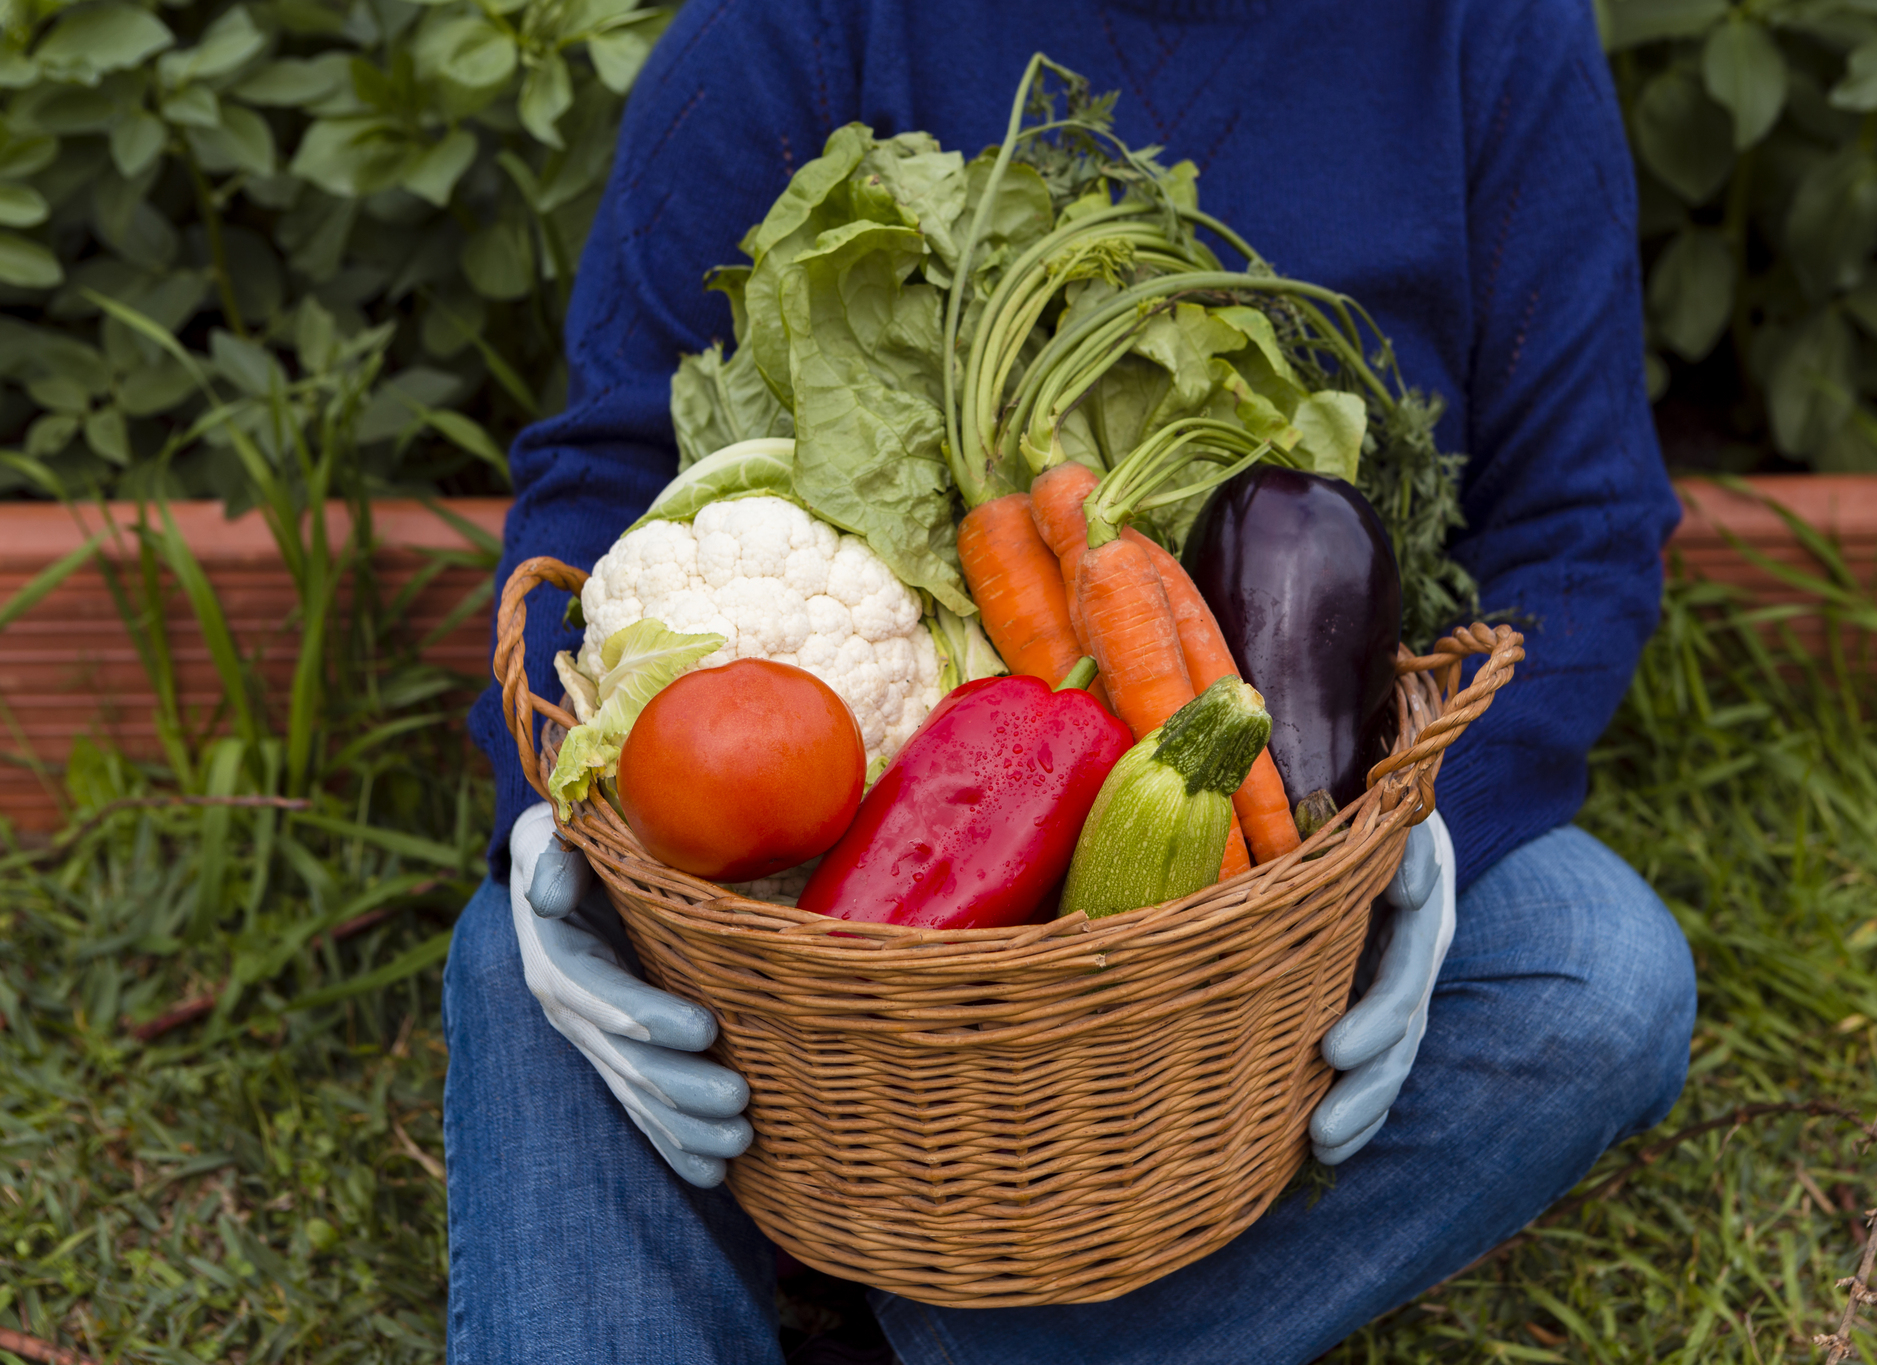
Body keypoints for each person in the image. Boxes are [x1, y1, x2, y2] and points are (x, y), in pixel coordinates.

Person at [445, 0, 1699, 1360]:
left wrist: (1426, 837)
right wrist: (543, 817)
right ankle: (876, 1242)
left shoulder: (1487, 30)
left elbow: (1581, 531)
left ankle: (989, 1327)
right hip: (796, 919)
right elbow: (604, 469)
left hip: (1279, 883)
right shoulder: (796, 26)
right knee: (526, 968)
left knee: (1599, 970)